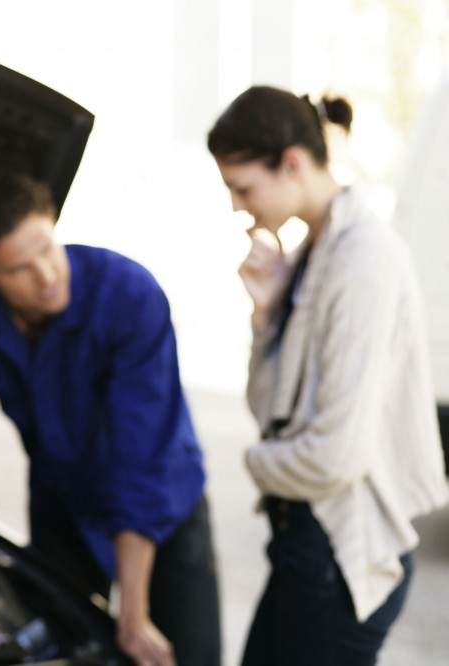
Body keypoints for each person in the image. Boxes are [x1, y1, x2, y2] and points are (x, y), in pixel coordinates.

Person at [0, 171, 221, 666]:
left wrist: (134, 613)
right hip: (62, 503)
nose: (46, 275)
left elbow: (140, 461)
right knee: (64, 652)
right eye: (20, 268)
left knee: (178, 655)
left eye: (46, 247)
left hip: (161, 508)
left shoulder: (129, 295)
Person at [207, 85, 449, 666]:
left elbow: (337, 455)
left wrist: (256, 464)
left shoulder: (362, 260)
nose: (239, 208)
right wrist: (266, 317)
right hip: (306, 549)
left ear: (291, 163)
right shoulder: (315, 255)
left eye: (243, 187)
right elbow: (271, 412)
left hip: (342, 558)